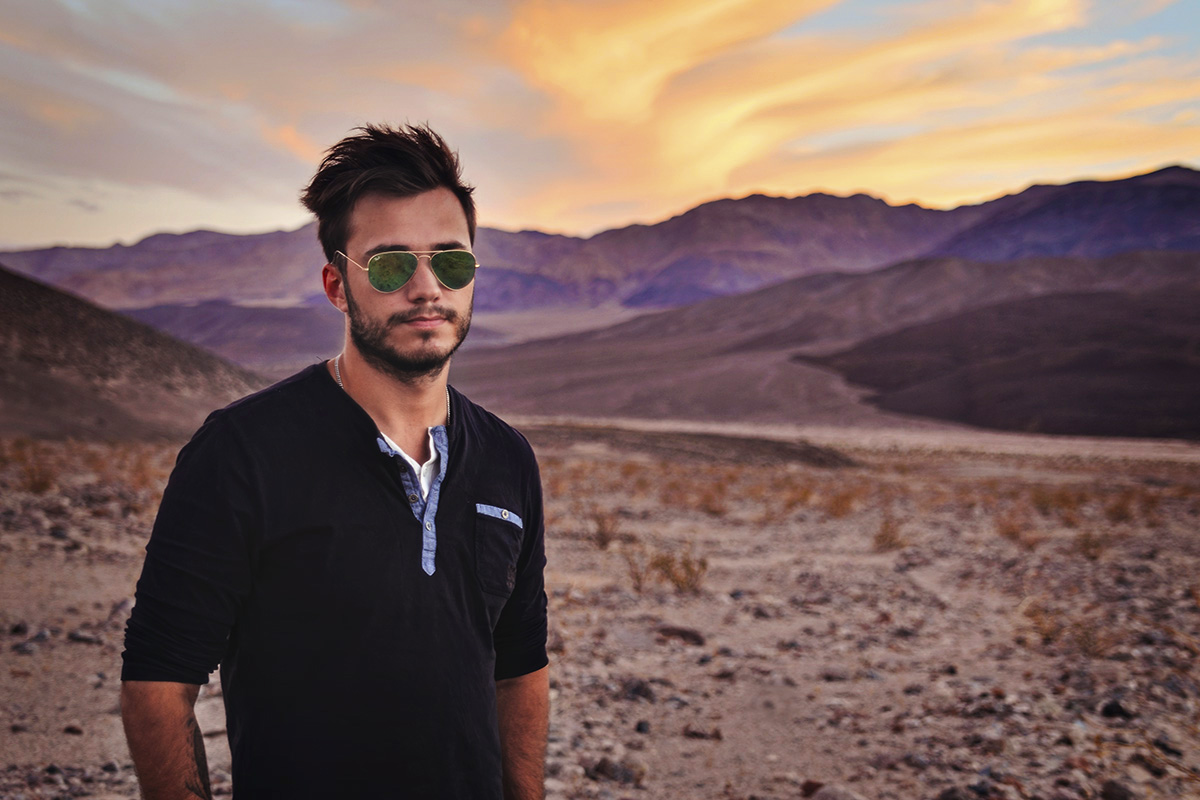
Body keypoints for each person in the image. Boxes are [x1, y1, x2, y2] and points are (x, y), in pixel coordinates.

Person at [120, 124, 549, 799]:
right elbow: (158, 682)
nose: (427, 288)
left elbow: (519, 667)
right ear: (336, 285)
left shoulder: (506, 458)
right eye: (390, 264)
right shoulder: (241, 453)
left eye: (452, 261)